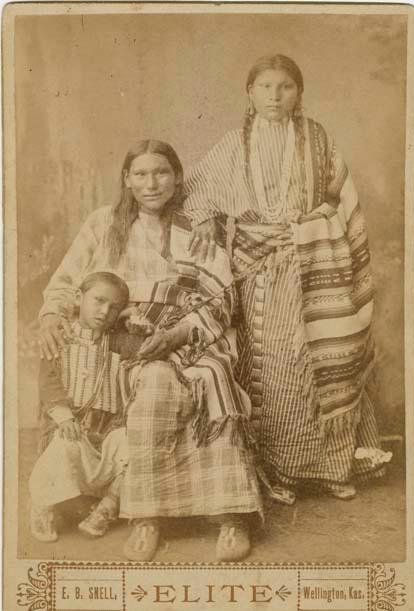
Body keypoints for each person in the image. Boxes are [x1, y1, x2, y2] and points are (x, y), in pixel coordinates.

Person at [38, 139, 262, 561]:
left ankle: (231, 516)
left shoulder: (197, 225)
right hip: (127, 341)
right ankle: (147, 518)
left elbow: (223, 298)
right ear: (126, 179)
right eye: (140, 174)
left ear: (177, 177)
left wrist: (179, 335)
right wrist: (52, 315)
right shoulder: (104, 224)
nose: (151, 182)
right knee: (156, 381)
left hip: (195, 337)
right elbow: (67, 282)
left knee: (208, 380)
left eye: (161, 172)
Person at [184, 54, 392, 504]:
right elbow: (198, 189)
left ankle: (334, 468)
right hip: (259, 271)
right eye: (265, 87)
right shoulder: (233, 143)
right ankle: (282, 469)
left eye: (285, 87)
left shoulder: (318, 139)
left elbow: (341, 198)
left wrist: (310, 227)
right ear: (250, 93)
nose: (275, 96)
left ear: (299, 93)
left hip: (316, 263)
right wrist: (203, 218)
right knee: (277, 363)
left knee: (330, 365)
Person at [30, 271, 131, 543]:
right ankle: (43, 505)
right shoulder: (60, 337)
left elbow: (144, 347)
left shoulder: (119, 341)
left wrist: (137, 324)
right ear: (78, 297)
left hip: (105, 432)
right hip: (70, 427)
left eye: (114, 308)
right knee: (65, 445)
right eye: (98, 300)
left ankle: (106, 507)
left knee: (131, 446)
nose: (104, 311)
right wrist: (63, 417)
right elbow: (48, 381)